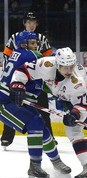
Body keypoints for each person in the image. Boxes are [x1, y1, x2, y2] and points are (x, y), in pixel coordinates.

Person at [11, 47, 87, 178]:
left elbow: (83, 106)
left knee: (74, 129)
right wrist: (17, 84)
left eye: (71, 66)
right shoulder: (46, 64)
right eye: (65, 67)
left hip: (86, 98)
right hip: (63, 95)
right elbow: (23, 70)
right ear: (57, 64)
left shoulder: (77, 82)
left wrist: (74, 114)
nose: (69, 71)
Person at [0, 31, 71, 178]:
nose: (36, 45)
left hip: (16, 100)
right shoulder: (30, 56)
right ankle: (35, 166)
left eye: (35, 43)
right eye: (32, 43)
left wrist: (57, 95)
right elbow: (45, 70)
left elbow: (42, 83)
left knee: (44, 130)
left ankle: (56, 162)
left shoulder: (20, 55)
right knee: (36, 124)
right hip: (5, 103)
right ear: (24, 44)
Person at [1, 11, 55, 148]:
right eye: (29, 22)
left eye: (34, 22)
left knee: (43, 109)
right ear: (24, 23)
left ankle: (49, 137)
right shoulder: (15, 38)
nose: (31, 25)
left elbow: (49, 59)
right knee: (12, 106)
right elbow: (7, 57)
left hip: (37, 79)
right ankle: (7, 136)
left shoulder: (42, 39)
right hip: (17, 79)